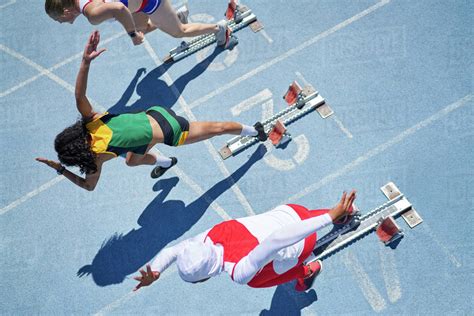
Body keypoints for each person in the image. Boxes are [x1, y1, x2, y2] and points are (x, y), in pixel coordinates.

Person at [36, 31, 267, 191]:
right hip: (155, 112)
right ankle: (166, 163)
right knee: (131, 160)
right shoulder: (91, 121)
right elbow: (79, 96)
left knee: (218, 129)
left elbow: (88, 186)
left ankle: (256, 132)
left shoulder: (96, 159)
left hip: (172, 131)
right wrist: (85, 62)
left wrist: (60, 171)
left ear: (78, 157)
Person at [133, 190, 357, 292]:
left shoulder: (238, 272)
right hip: (292, 210)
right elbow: (173, 251)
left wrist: (328, 219)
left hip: (302, 240)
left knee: (254, 281)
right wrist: (156, 271)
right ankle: (343, 212)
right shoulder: (209, 236)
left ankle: (304, 272)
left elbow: (277, 240)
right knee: (277, 230)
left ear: (205, 278)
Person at [44, 0, 237, 48]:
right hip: (137, 7)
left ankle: (220, 29)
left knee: (179, 33)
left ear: (65, 11)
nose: (61, 23)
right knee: (142, 29)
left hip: (147, 2)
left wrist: (132, 35)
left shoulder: (92, 14)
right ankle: (175, 17)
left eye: (58, 19)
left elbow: (119, 9)